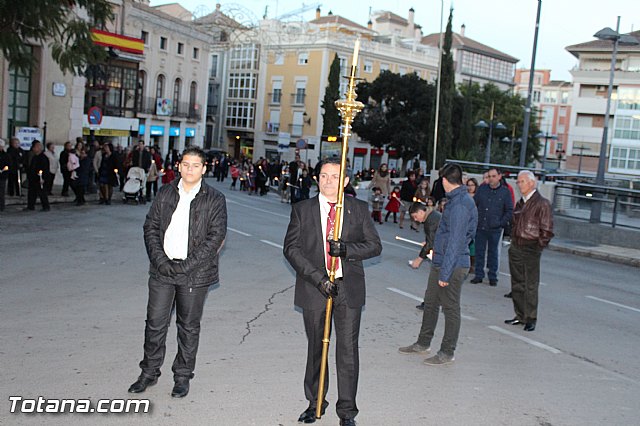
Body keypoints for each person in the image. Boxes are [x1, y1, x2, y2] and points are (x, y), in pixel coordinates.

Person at [283, 157, 382, 425]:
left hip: (347, 288)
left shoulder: (358, 209)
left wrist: (347, 249)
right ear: (317, 179)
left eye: (335, 176)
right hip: (315, 287)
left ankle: (347, 411)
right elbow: (291, 249)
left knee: (347, 351)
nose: (329, 181)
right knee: (317, 348)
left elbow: (374, 245)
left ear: (346, 181)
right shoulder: (302, 210)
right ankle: (315, 402)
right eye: (324, 175)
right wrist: (317, 279)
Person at [128, 146, 227, 398]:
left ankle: (182, 376)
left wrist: (185, 266)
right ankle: (149, 372)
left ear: (204, 169)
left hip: (195, 273)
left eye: (195, 165)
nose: (190, 169)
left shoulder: (215, 199)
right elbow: (150, 227)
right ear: (179, 166)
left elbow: (215, 239)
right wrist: (160, 260)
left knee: (188, 326)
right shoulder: (165, 193)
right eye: (186, 164)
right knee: (155, 323)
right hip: (162, 270)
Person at [399, 163, 477, 365]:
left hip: (452, 264)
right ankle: (423, 343)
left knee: (450, 309)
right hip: (442, 261)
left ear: (444, 181)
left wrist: (445, 273)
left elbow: (456, 241)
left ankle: (447, 351)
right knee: (431, 303)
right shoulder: (455, 201)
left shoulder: (460, 204)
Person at [505, 171, 554, 332]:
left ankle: (531, 317)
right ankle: (520, 315)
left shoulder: (542, 203)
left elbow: (547, 230)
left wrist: (537, 246)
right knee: (517, 283)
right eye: (518, 182)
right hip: (516, 246)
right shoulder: (521, 203)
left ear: (532, 183)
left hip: (531, 247)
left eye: (522, 182)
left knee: (530, 284)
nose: (519, 184)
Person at [470, 167, 513, 286]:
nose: (491, 179)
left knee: (493, 253)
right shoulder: (482, 189)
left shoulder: (505, 192)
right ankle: (479, 275)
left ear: (499, 177)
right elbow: (474, 204)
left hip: (495, 228)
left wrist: (500, 223)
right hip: (481, 226)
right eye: (489, 176)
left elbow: (509, 210)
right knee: (479, 251)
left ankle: (493, 276)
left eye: (494, 176)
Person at [409, 201, 442, 310]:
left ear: (421, 212)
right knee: (439, 279)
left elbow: (431, 243)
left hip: (445, 253)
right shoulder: (434, 216)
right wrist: (427, 241)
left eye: (415, 216)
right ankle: (431, 302)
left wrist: (419, 259)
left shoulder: (431, 221)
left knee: (436, 279)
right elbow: (434, 238)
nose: (415, 219)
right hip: (445, 251)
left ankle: (430, 303)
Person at [25, 140, 51, 211]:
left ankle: (46, 206)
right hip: (33, 178)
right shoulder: (35, 157)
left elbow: (45, 169)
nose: (33, 149)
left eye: (35, 147)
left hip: (40, 178)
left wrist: (43, 178)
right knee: (32, 193)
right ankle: (30, 206)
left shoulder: (43, 158)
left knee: (42, 193)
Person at [0, 138, 9, 211]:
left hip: (2, 176)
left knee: (1, 192)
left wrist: (3, 170)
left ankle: (1, 206)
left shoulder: (5, 155)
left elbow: (8, 165)